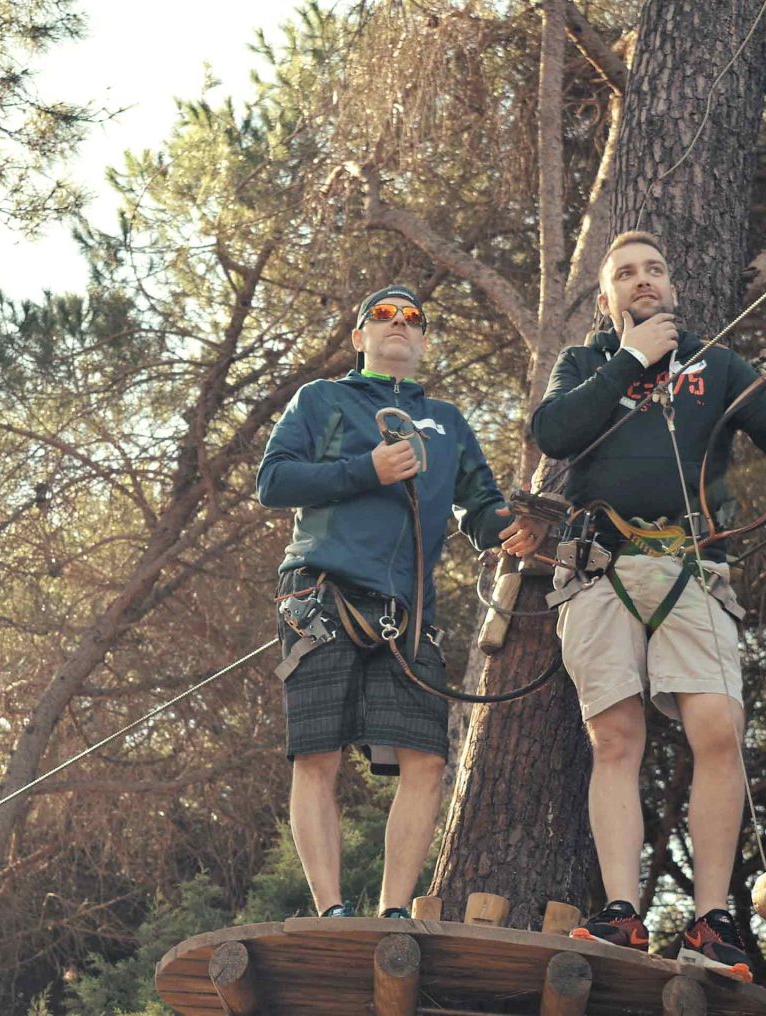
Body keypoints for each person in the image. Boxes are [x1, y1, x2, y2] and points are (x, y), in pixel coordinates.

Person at [530, 232, 766, 981]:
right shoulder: (587, 364)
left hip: (692, 566)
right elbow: (554, 433)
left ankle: (712, 921)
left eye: (655, 270)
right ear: (606, 299)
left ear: (675, 287)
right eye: (626, 275)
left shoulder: (717, 364)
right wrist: (631, 362)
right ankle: (621, 914)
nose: (644, 282)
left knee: (718, 728)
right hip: (601, 569)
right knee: (615, 737)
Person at [257, 284, 540, 919]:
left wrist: (516, 526)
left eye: (412, 319)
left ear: (422, 341)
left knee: (428, 760)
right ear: (358, 337)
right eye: (381, 316)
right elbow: (273, 481)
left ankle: (393, 913)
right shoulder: (322, 399)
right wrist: (367, 469)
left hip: (408, 613)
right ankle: (332, 910)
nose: (398, 324)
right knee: (317, 752)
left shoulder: (446, 420)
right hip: (320, 596)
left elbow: (480, 508)